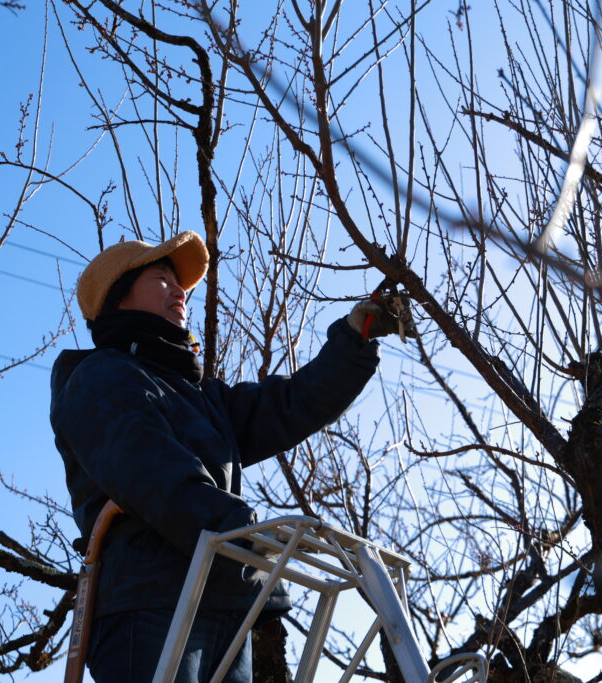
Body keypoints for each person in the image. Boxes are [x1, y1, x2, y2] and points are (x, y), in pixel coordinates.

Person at [51, 232, 402, 682]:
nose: (179, 291)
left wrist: (354, 340)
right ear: (117, 297)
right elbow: (155, 476)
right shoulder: (99, 378)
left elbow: (289, 405)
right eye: (161, 279)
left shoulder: (202, 400)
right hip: (149, 602)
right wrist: (249, 537)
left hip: (223, 600)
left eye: (179, 284)